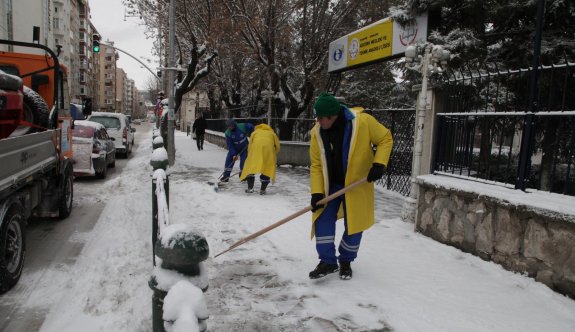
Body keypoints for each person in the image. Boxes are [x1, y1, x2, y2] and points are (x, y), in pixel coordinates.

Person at [308, 92, 393, 280]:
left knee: (354, 225)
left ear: (333, 116)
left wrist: (379, 163)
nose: (318, 121)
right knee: (322, 219)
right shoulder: (317, 132)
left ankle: (345, 260)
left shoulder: (362, 122)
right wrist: (316, 192)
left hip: (356, 184)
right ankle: (327, 261)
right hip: (331, 185)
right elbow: (315, 165)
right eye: (317, 117)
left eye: (321, 118)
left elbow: (385, 138)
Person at [240, 122, 280, 194]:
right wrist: (273, 154)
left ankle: (250, 189)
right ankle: (263, 190)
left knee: (250, 168)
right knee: (267, 169)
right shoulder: (272, 133)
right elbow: (278, 146)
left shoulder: (255, 132)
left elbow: (250, 146)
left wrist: (250, 155)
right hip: (268, 152)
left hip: (255, 151)